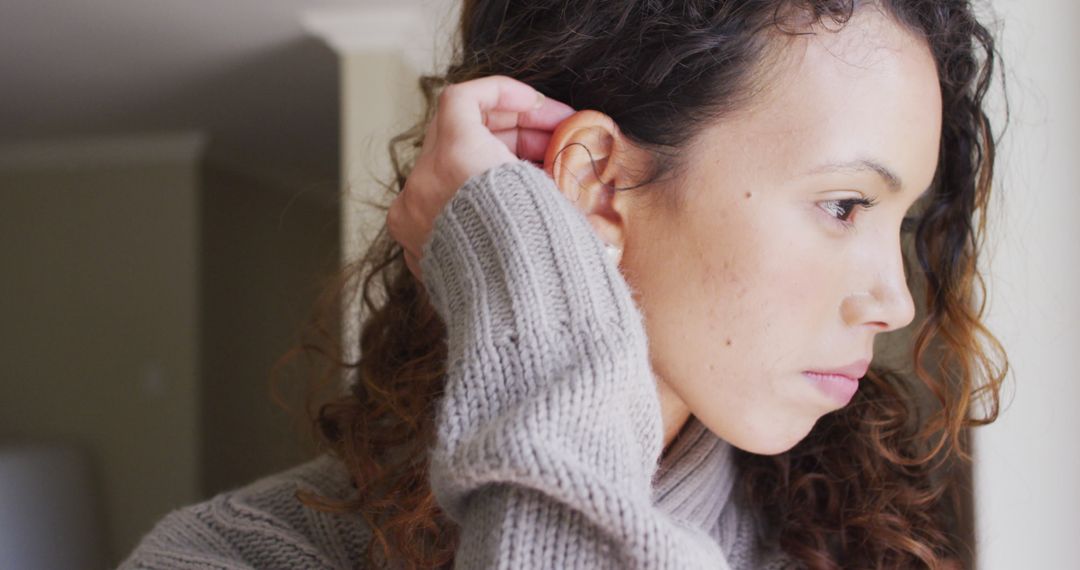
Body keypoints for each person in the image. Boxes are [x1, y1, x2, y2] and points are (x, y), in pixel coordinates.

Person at [120, 1, 1008, 568]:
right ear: (595, 183)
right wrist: (535, 300)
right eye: (846, 204)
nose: (894, 299)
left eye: (901, 220)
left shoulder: (873, 544)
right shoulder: (235, 557)